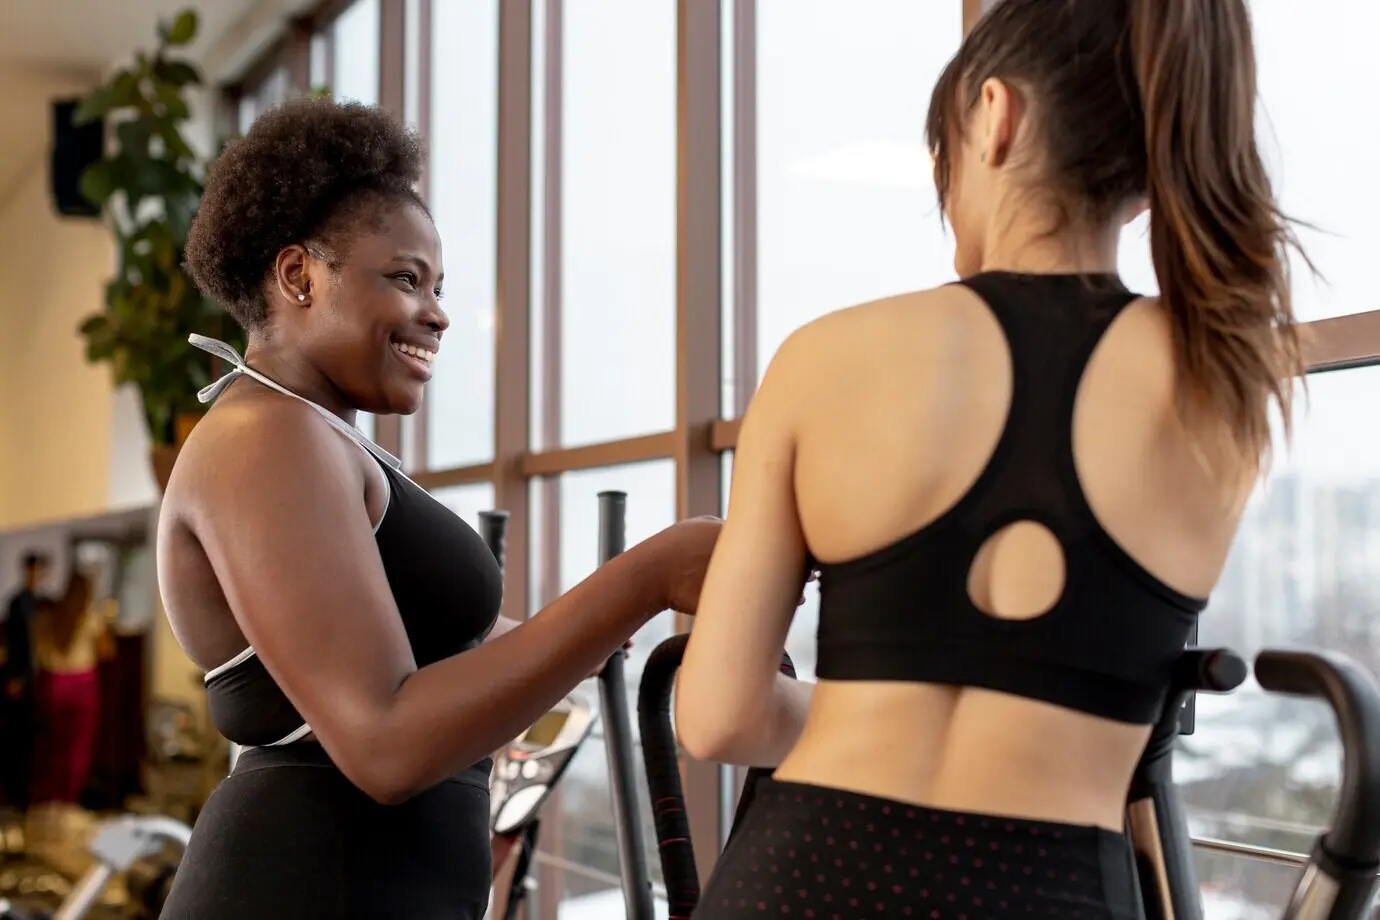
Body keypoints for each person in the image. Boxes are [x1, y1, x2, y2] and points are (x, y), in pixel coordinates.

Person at [677, 0, 1301, 916]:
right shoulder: (1227, 382)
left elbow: (720, 716)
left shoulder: (830, 356)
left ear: (994, 117)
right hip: (1048, 889)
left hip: (807, 876)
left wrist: (868, 712)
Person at [156, 96, 721, 919]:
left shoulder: (318, 438)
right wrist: (648, 575)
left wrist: (593, 636)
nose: (438, 312)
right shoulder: (265, 439)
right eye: (404, 278)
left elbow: (424, 655)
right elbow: (384, 743)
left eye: (439, 285)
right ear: (298, 275)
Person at [29, 573, 112, 806]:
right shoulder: (90, 619)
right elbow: (107, 651)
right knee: (78, 749)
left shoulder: (46, 617)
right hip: (82, 685)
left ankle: (50, 802)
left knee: (52, 746)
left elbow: (38, 652)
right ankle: (69, 801)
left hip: (54, 684)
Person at [0, 552, 48, 814]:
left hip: (38, 679)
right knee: (16, 739)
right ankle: (15, 796)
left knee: (33, 741)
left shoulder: (43, 603)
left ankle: (29, 797)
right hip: (20, 679)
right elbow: (13, 644)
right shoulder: (17, 603)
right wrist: (15, 677)